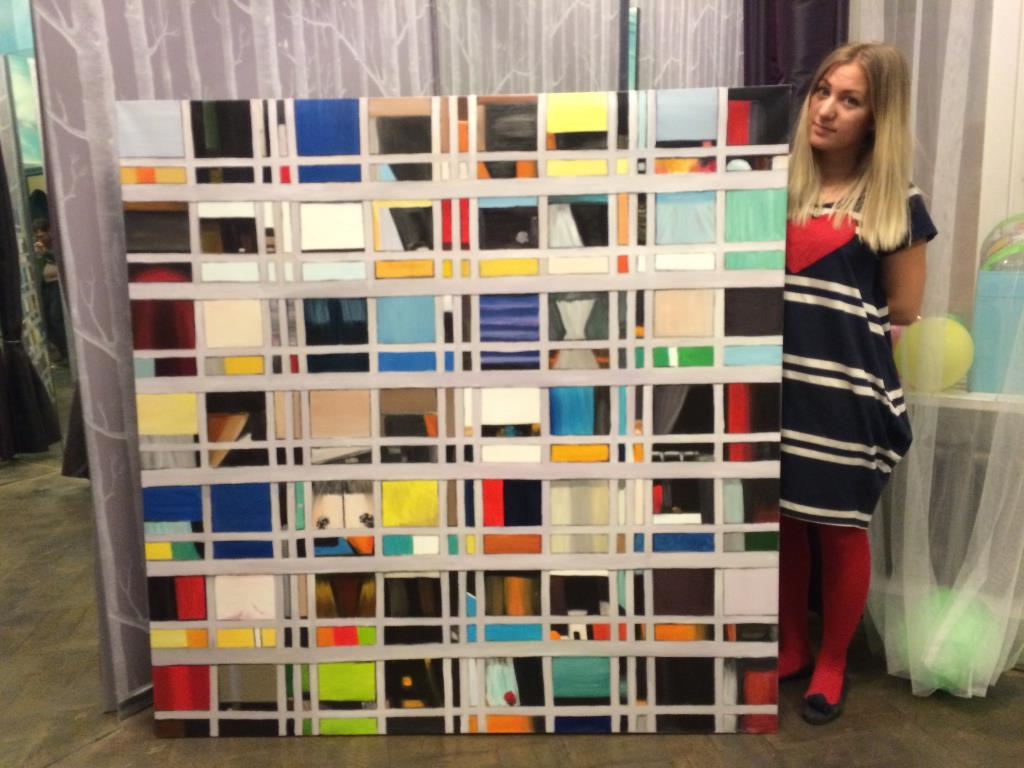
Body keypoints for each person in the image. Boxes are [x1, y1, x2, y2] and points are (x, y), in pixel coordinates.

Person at [779, 42, 936, 725]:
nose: (826, 109)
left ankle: (832, 661)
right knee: (783, 523)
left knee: (840, 528)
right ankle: (790, 646)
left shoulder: (895, 200)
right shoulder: (776, 184)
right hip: (777, 388)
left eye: (849, 100)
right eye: (822, 91)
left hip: (848, 392)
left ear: (877, 118)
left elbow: (904, 306)